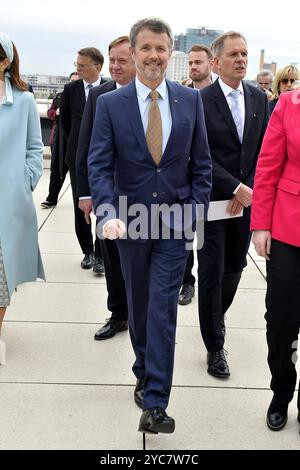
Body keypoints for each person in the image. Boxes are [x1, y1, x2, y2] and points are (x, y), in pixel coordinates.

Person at [88, 17, 212, 434]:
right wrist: (107, 213)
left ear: (170, 52)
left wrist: (193, 211)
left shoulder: (189, 101)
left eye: (161, 48)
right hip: (129, 224)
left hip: (174, 225)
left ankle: (156, 400)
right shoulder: (110, 104)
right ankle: (143, 364)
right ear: (135, 52)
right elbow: (99, 166)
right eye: (146, 48)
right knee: (140, 308)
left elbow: (203, 165)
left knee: (162, 312)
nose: (154, 56)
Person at [197, 31, 269, 378]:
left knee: (234, 269)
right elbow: (198, 155)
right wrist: (235, 186)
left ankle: (216, 316)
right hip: (211, 203)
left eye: (244, 53)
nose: (241, 59)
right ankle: (214, 346)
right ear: (216, 62)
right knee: (210, 273)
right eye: (233, 55)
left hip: (247, 203)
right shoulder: (200, 100)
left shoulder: (258, 99)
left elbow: (265, 151)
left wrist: (250, 188)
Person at [76, 35, 136, 340]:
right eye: (112, 60)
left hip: (143, 199)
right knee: (111, 258)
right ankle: (118, 314)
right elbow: (85, 146)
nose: (114, 66)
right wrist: (86, 194)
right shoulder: (100, 95)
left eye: (121, 60)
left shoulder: (151, 97)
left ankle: (139, 313)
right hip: (107, 195)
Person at [251, 88, 300, 433]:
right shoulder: (288, 104)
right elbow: (268, 165)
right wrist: (261, 224)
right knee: (281, 318)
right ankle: (281, 391)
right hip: (287, 226)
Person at [0, 32, 45, 365]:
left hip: (8, 200)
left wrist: (25, 180)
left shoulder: (24, 101)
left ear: (5, 62)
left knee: (3, 273)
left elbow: (34, 147)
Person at [60, 47, 106, 271]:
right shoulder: (70, 89)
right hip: (78, 159)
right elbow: (65, 124)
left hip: (105, 159)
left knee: (104, 205)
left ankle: (101, 254)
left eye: (82, 65)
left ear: (97, 67)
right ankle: (87, 251)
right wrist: (79, 148)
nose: (77, 68)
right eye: (76, 64)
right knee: (82, 205)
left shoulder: (109, 88)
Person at [178, 44, 213, 306]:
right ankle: (187, 283)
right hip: (186, 182)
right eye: (190, 63)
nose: (193, 67)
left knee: (212, 245)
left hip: (218, 184)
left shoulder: (220, 97)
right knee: (186, 238)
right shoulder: (181, 97)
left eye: (198, 62)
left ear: (211, 64)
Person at [41, 72, 79, 209]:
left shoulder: (85, 98)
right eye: (72, 81)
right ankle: (51, 198)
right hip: (59, 140)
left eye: (76, 81)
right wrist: (56, 112)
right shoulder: (59, 97)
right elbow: (50, 113)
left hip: (76, 141)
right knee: (56, 170)